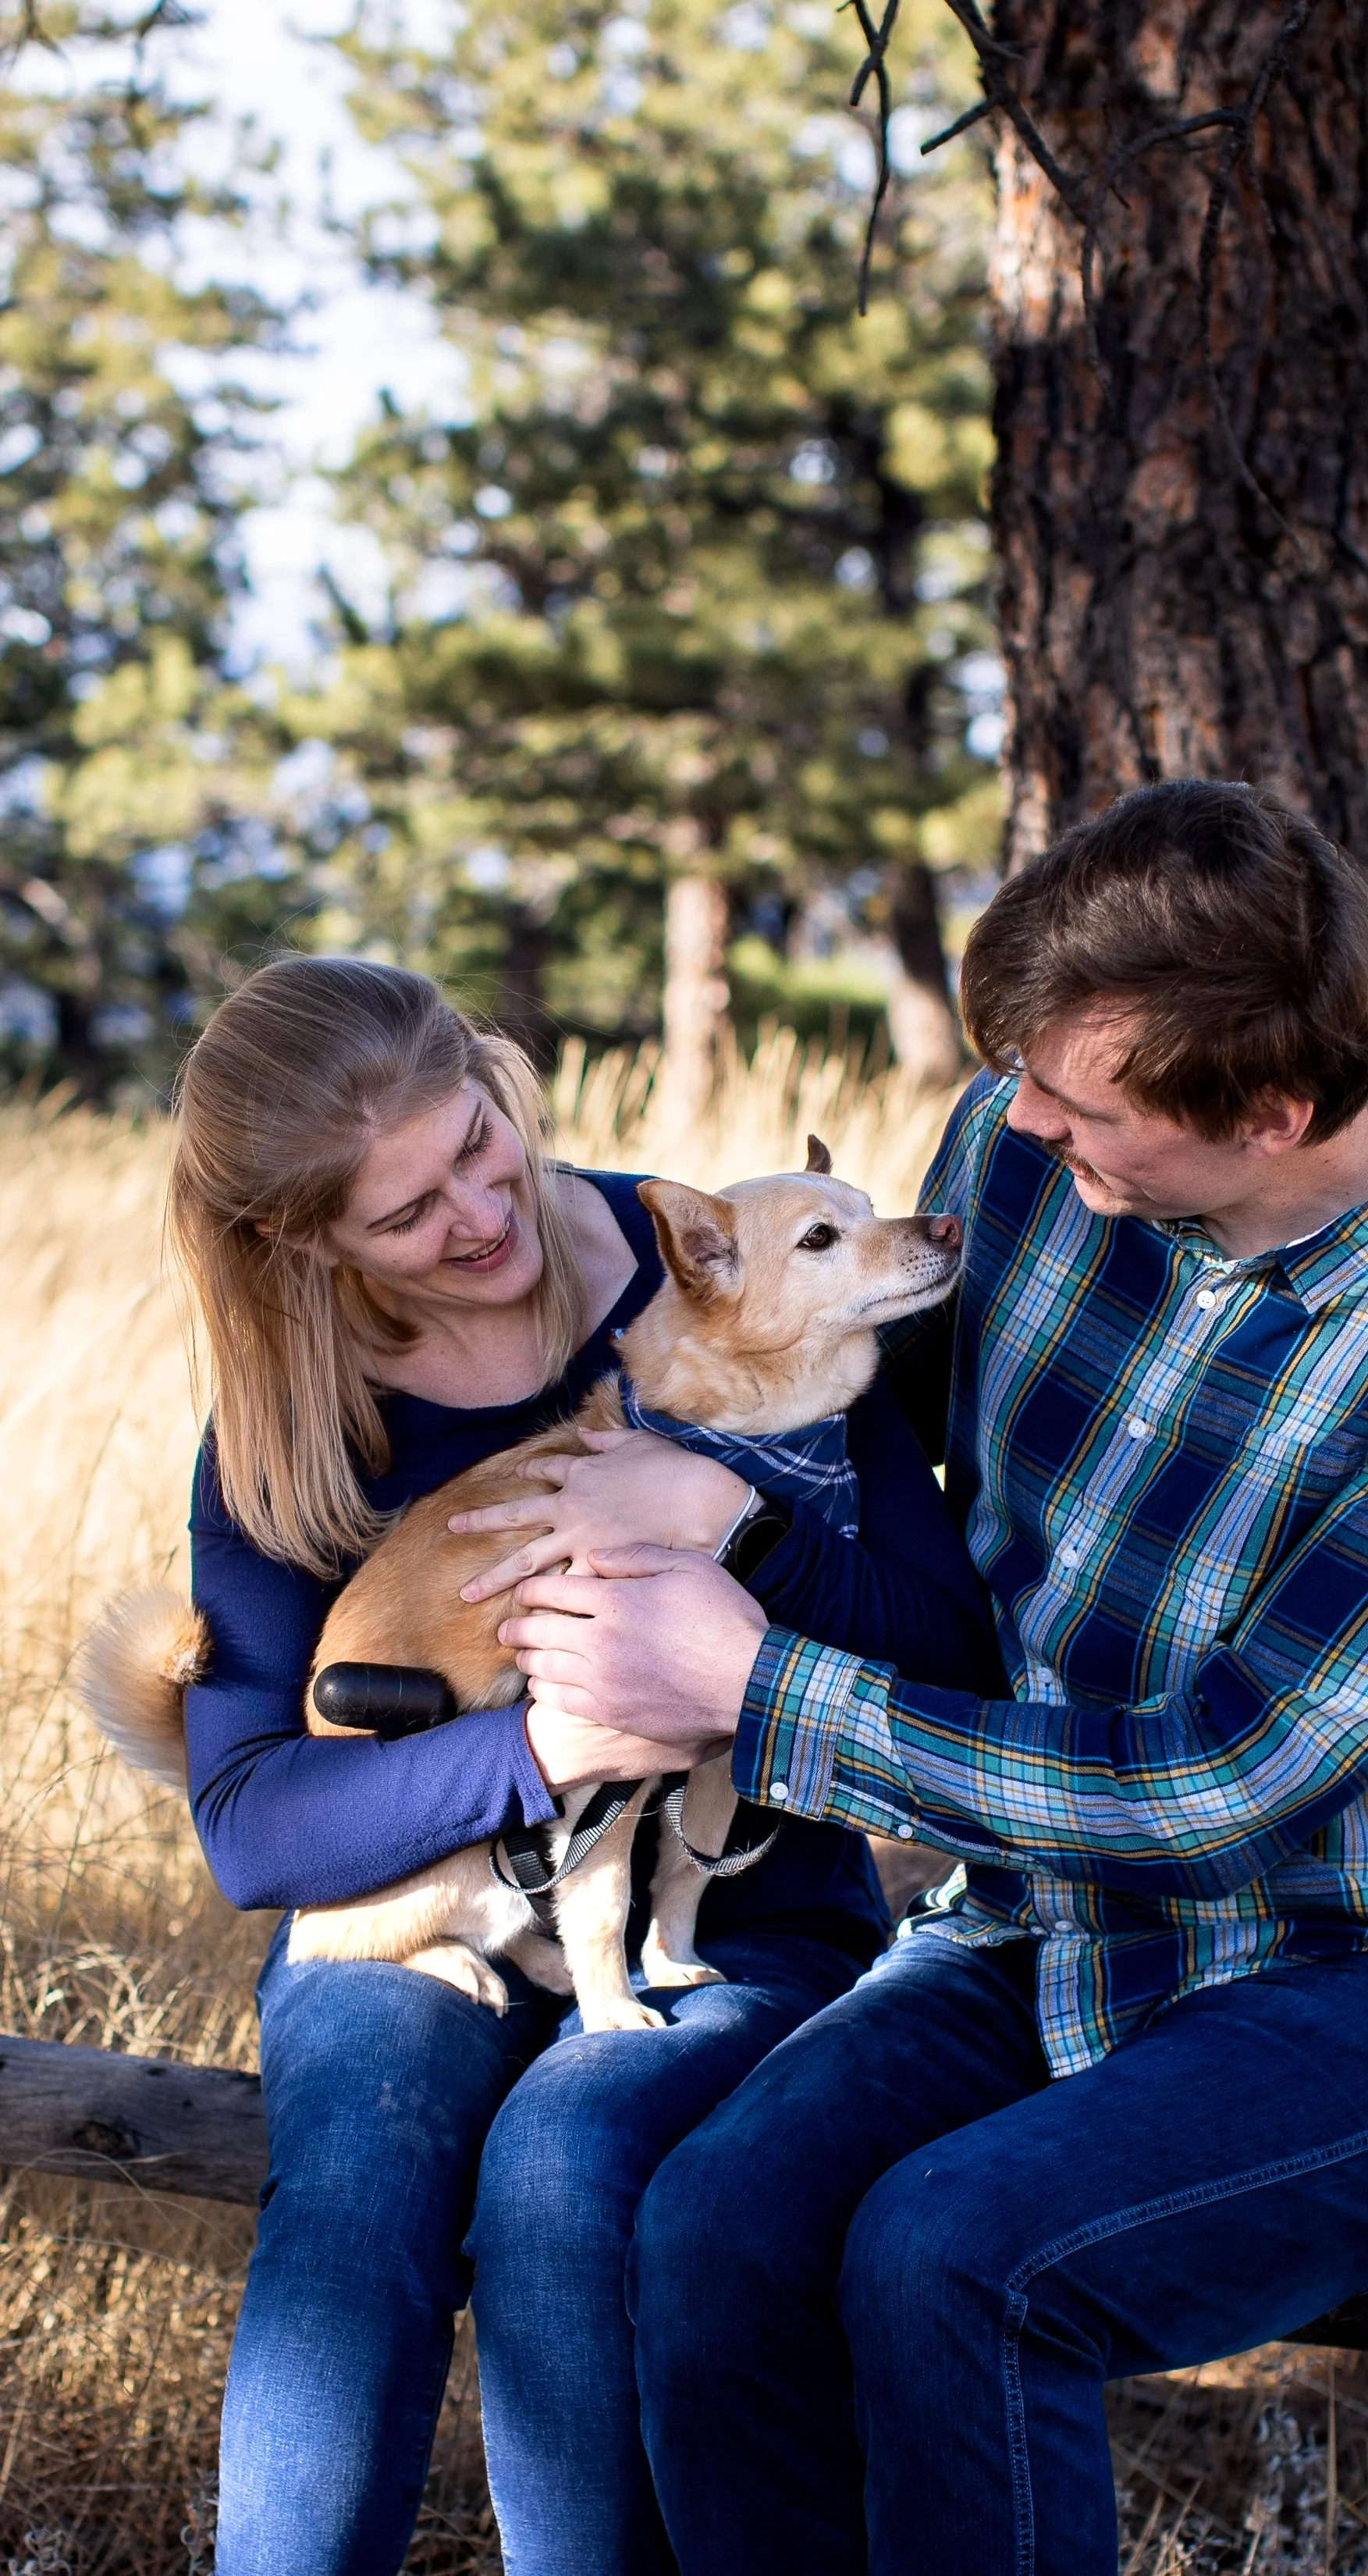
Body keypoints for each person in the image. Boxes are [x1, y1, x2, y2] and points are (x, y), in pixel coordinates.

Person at [495, 782, 1368, 2576]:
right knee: (712, 2222)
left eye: (1076, 1101)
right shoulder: (1023, 1150)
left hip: (1367, 1986)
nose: (1014, 1121)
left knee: (952, 2252)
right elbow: (861, 1461)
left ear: (1266, 1110)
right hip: (1025, 1925)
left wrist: (755, 1685)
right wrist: (686, 1488)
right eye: (1018, 1070)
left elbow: (1219, 1789)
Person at [169, 954, 1001, 2576]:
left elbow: (949, 1653)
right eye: (402, 1214)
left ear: (498, 1082)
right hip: (424, 1904)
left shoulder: (744, 1261)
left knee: (562, 2178)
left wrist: (742, 1527)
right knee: (357, 2172)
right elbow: (256, 1828)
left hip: (737, 1904)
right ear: (303, 1239)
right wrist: (544, 1747)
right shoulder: (291, 1412)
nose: (478, 1217)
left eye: (478, 1146)